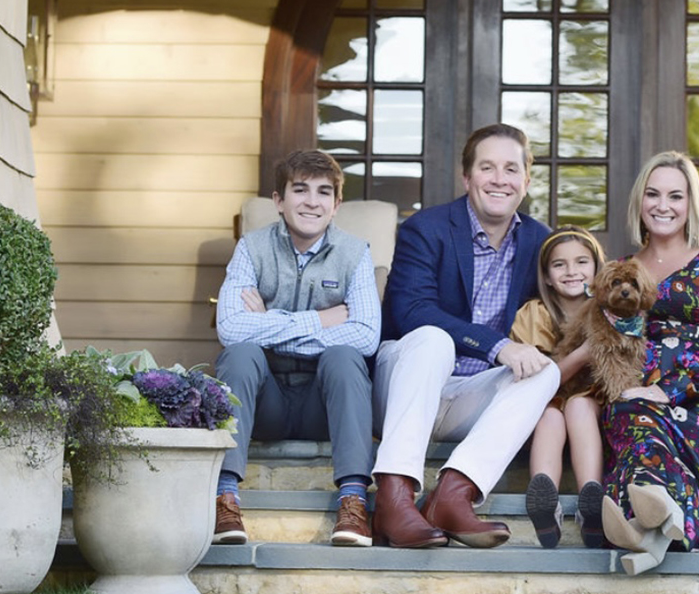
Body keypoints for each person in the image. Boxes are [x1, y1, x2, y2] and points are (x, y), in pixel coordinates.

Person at [370, 123, 560, 549]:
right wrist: (497, 346)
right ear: (467, 177)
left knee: (546, 371)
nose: (499, 179)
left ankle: (454, 494)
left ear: (526, 182)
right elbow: (412, 311)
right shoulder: (426, 228)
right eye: (487, 167)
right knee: (433, 338)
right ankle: (394, 496)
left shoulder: (539, 240)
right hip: (405, 385)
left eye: (511, 169)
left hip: (470, 396)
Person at [212, 150, 380, 548]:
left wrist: (268, 319)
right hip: (265, 398)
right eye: (300, 190)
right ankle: (224, 497)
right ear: (279, 201)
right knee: (240, 354)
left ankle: (353, 502)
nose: (311, 201)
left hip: (324, 404)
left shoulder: (355, 253)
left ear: (336, 205)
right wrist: (321, 319)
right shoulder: (251, 248)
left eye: (324, 192)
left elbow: (366, 335)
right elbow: (231, 328)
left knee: (345, 357)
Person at [600, 151, 699, 575]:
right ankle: (654, 529)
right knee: (629, 410)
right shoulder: (624, 271)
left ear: (691, 204)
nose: (662, 205)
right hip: (636, 395)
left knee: (641, 413)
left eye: (675, 196)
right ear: (639, 202)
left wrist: (669, 390)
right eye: (652, 194)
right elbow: (608, 337)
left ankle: (646, 528)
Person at [513, 226, 607, 550]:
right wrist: (582, 355)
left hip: (594, 400)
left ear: (597, 268)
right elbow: (537, 383)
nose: (571, 272)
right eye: (559, 265)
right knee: (551, 416)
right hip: (547, 399)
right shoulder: (535, 313)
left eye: (582, 261)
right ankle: (545, 505)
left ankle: (591, 503)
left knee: (579, 407)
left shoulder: (609, 311)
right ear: (547, 276)